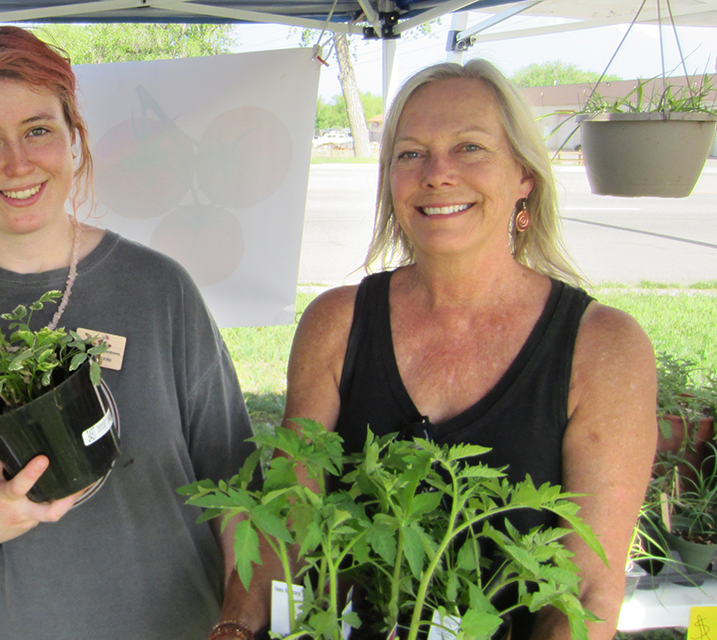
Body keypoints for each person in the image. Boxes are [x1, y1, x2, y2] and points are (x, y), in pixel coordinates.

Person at [0, 26, 262, 640]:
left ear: (74, 139)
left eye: (38, 130)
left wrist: (238, 626)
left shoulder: (159, 291)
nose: (18, 162)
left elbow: (240, 491)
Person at [280, 59, 655, 639]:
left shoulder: (603, 347)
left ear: (524, 176)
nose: (437, 174)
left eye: (471, 148)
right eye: (410, 153)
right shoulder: (335, 323)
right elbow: (291, 523)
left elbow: (585, 591)